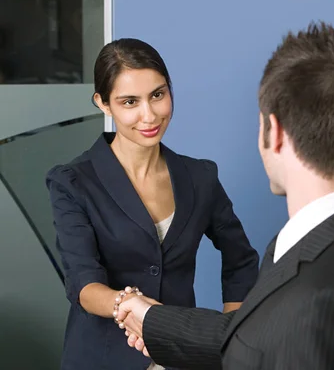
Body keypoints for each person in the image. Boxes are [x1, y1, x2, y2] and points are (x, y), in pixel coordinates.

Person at [117, 22, 334, 370]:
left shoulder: (328, 299)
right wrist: (154, 321)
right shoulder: (321, 242)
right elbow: (259, 334)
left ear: (275, 131)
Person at [46, 38, 259, 370]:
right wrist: (128, 303)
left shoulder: (199, 176)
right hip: (101, 360)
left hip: (182, 358)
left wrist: (229, 337)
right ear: (103, 103)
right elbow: (83, 283)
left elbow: (241, 259)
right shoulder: (73, 182)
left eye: (157, 95)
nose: (149, 115)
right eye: (130, 101)